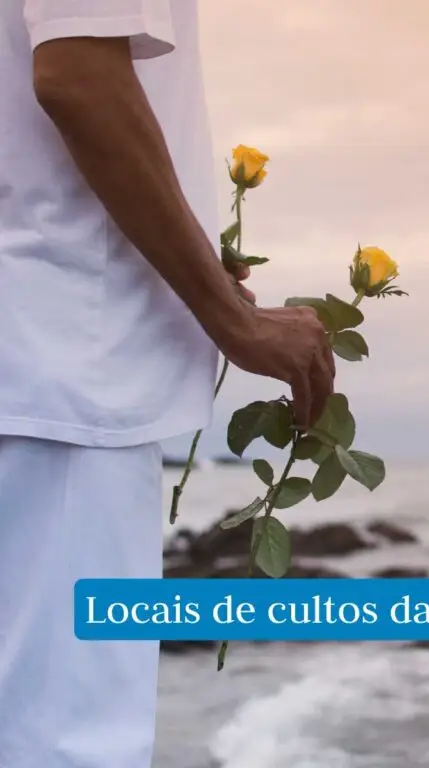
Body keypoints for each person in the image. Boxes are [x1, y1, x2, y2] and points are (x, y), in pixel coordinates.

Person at [0, 2, 336, 765]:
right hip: (62, 375)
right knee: (65, 743)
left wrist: (190, 260)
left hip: (37, 366)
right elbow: (78, 77)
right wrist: (230, 319)